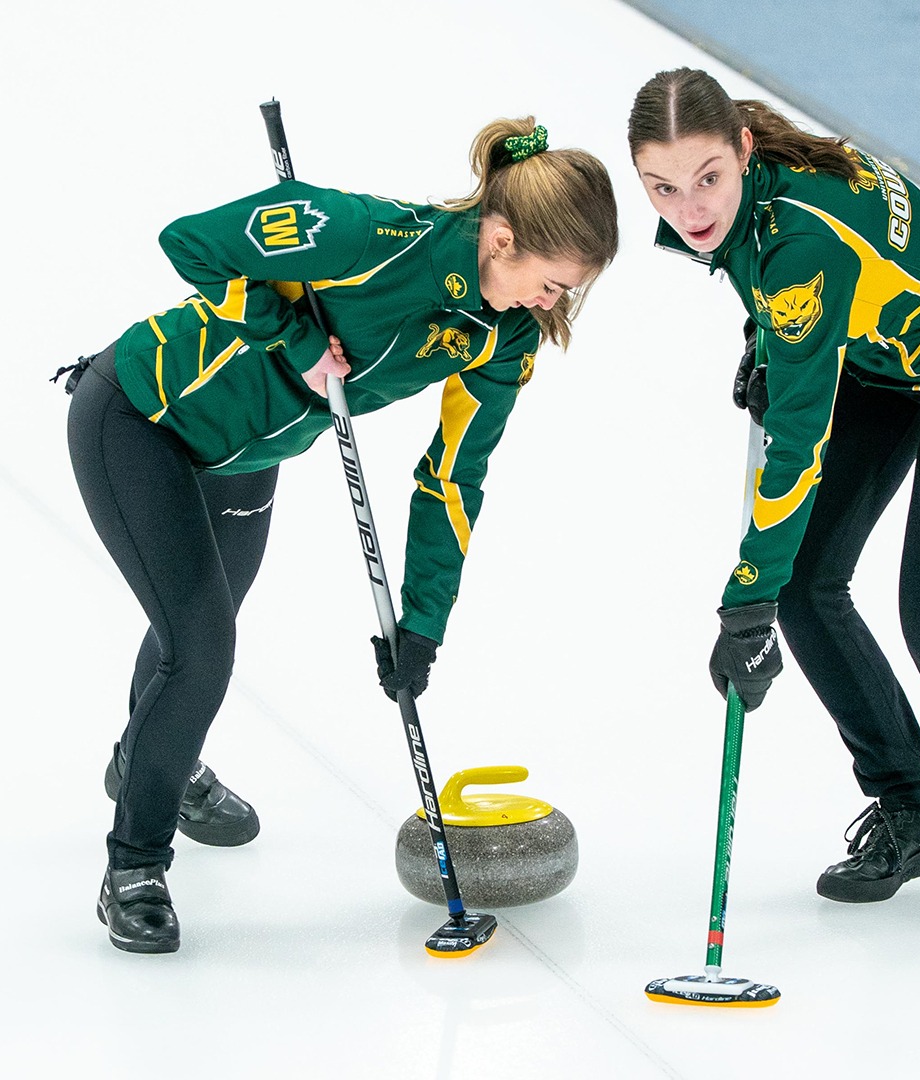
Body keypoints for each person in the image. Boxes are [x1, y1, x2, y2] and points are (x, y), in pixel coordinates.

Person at [61, 118, 618, 953]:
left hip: (247, 453)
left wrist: (422, 622)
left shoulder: (501, 339)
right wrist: (293, 339)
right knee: (202, 647)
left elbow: (453, 477)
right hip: (142, 415)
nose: (551, 305)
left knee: (197, 625)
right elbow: (191, 243)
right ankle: (133, 867)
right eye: (550, 284)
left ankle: (147, 765)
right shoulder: (365, 233)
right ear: (503, 240)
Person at [627, 69, 920, 924]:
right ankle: (914, 807)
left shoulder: (801, 235)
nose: (689, 209)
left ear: (743, 149)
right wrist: (770, 337)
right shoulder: (752, 198)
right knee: (811, 585)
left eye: (706, 179)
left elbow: (798, 444)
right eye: (662, 187)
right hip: (877, 361)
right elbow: (785, 281)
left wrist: (746, 600)